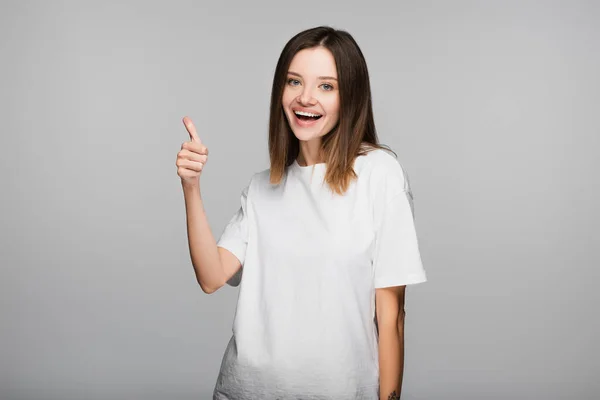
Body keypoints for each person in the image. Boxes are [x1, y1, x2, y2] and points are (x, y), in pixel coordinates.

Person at [176, 26, 427, 400]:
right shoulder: (263, 187)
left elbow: (391, 318)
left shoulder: (380, 174)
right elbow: (211, 276)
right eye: (294, 82)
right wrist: (191, 187)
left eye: (327, 86)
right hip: (244, 390)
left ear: (350, 97)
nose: (305, 98)